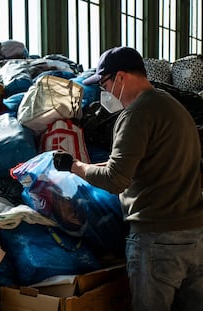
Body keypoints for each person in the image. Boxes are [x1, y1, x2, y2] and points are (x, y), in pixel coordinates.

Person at [53, 46, 203, 311]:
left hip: (157, 238)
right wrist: (93, 166)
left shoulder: (136, 115)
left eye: (105, 83)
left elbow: (114, 179)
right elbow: (145, 163)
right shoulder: (171, 107)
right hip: (194, 234)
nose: (105, 92)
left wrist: (75, 166)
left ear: (120, 77)